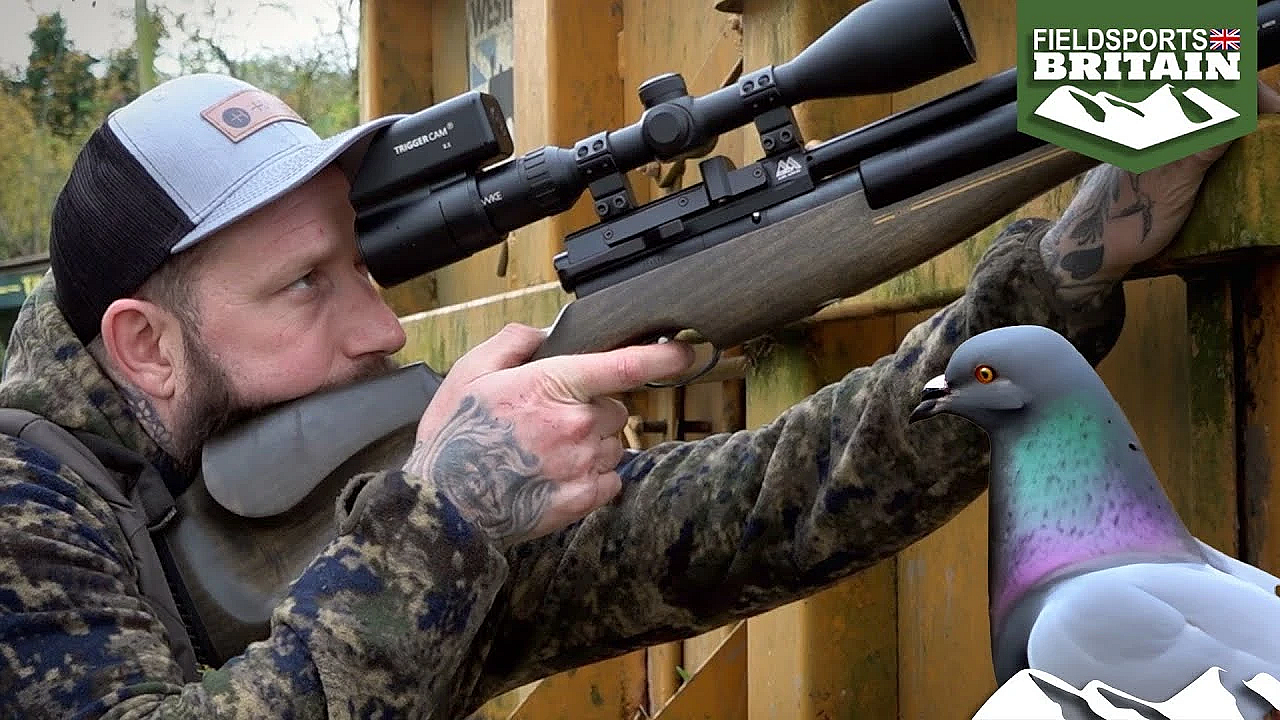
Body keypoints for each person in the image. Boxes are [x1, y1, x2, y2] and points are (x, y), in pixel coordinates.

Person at [0, 71, 1274, 719]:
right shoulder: (21, 498)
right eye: (304, 287)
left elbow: (764, 509)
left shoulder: (318, 495)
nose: (380, 327)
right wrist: (443, 520)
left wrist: (1075, 255)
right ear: (144, 346)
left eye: (364, 266)